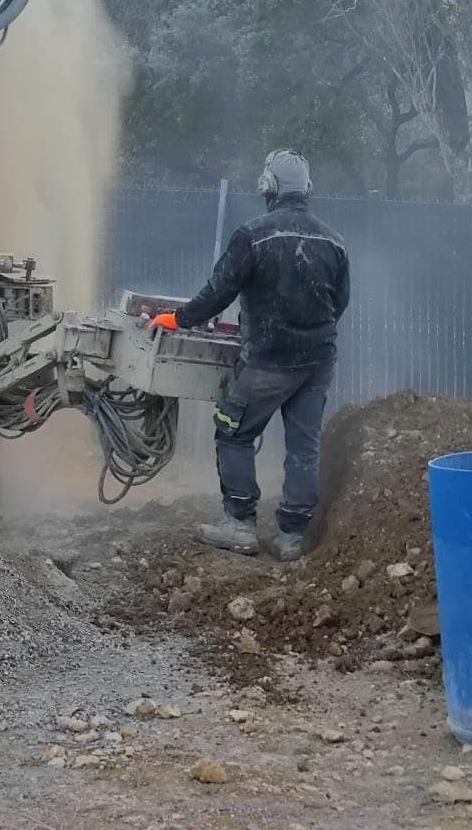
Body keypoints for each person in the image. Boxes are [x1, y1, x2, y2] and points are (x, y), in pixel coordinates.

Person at [146, 149, 350, 562]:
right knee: (303, 447)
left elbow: (217, 294)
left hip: (267, 363)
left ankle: (239, 525)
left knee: (233, 431)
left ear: (267, 187)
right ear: (306, 188)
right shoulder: (334, 241)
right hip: (317, 362)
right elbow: (339, 303)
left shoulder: (253, 235)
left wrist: (176, 319)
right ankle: (292, 537)